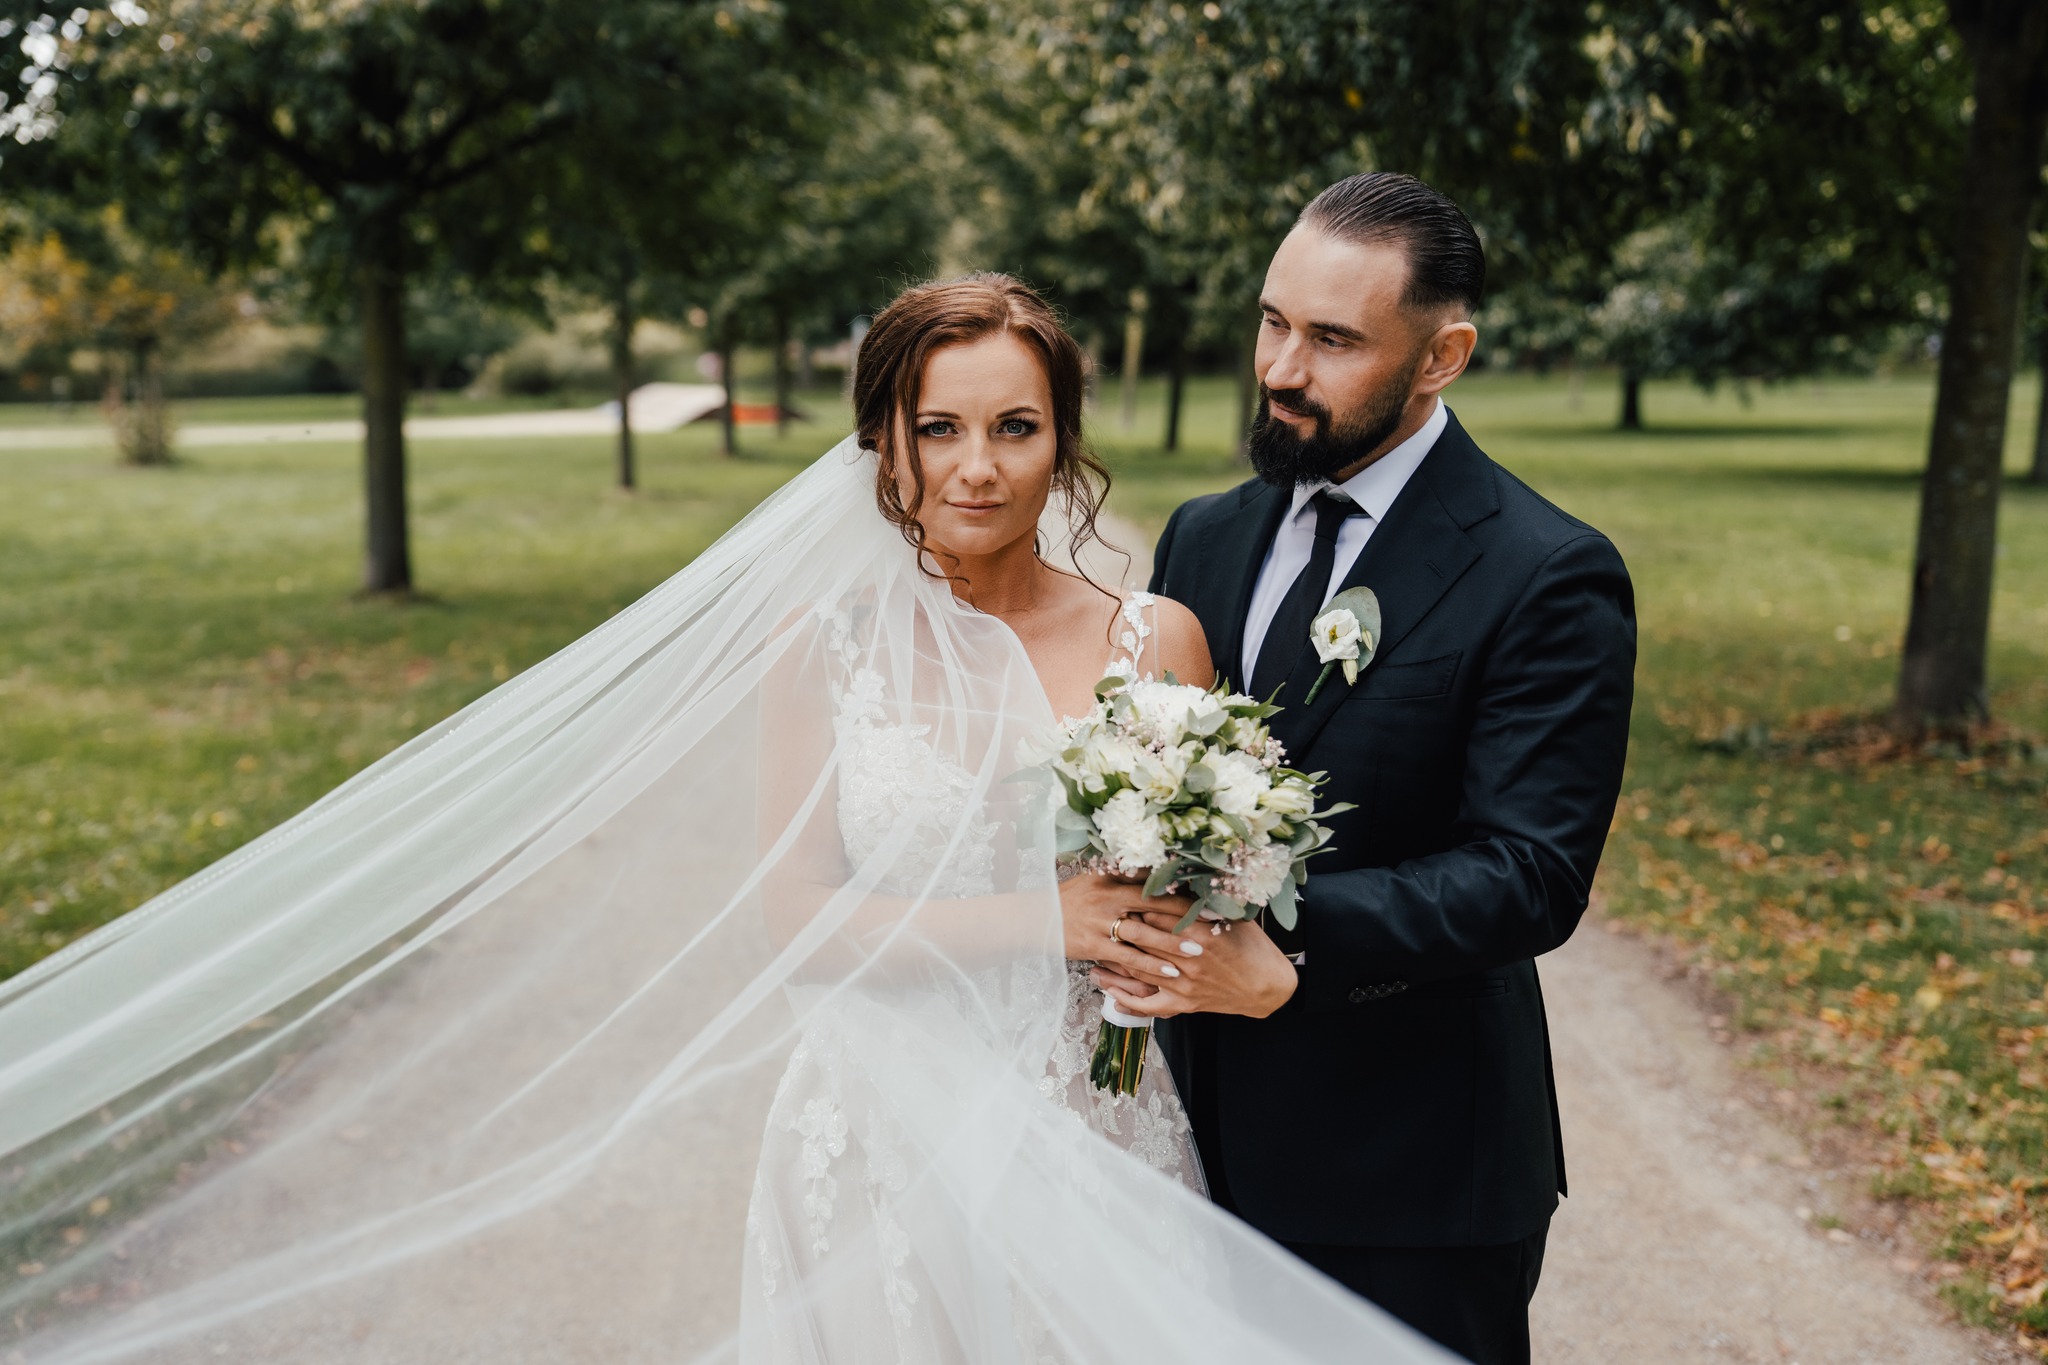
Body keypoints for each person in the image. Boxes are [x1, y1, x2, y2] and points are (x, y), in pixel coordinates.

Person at [0, 272, 1449, 1364]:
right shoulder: (825, 644)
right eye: (935, 427)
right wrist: (1048, 914)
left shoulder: (1160, 640)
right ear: (885, 440)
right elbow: (798, 922)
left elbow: (1193, 909)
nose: (977, 466)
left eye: (1015, 426)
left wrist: (1187, 917)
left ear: (1064, 438)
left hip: (1091, 1128)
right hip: (874, 1134)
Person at [1087, 173, 1638, 1365]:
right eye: (1272, 320)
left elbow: (1528, 873)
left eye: (1332, 339)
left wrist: (1280, 951)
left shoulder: (1545, 573)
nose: (1280, 368)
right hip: (1185, 1143)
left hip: (1411, 1179)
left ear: (1441, 356)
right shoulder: (1204, 533)